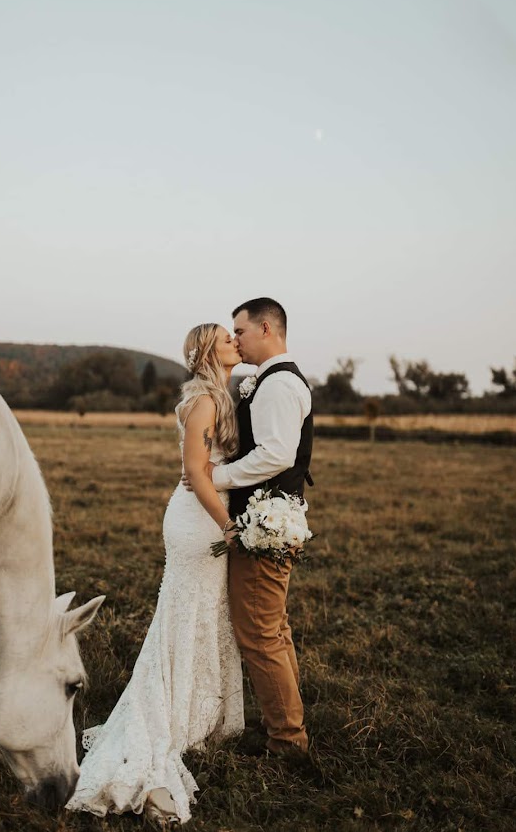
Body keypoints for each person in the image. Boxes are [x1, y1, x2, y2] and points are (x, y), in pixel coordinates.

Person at [65, 324, 244, 828]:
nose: (236, 341)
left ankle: (200, 712)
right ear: (211, 352)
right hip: (199, 522)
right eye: (227, 338)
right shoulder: (205, 403)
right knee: (189, 612)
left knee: (203, 613)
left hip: (204, 516)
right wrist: (229, 526)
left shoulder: (219, 397)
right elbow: (197, 473)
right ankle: (174, 721)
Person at [187, 297, 313, 757]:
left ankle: (287, 741)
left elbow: (277, 454)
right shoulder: (270, 381)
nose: (235, 339)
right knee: (273, 628)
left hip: (265, 524)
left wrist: (215, 476)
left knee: (259, 632)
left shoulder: (278, 385)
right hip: (269, 518)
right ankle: (287, 725)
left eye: (239, 331)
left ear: (265, 328)